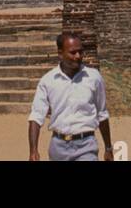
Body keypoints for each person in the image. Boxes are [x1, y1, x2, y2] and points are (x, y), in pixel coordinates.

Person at [27, 31, 113, 161]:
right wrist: (33, 151)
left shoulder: (94, 77)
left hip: (86, 145)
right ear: (60, 54)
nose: (78, 56)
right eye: (73, 52)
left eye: (80, 51)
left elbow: (102, 114)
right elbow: (36, 117)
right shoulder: (48, 81)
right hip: (58, 147)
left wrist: (108, 148)